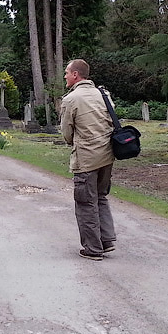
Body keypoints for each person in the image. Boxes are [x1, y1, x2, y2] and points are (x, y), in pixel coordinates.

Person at [59, 59, 117, 261]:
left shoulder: (71, 99)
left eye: (67, 72)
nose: (65, 76)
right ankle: (106, 240)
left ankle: (93, 248)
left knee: (85, 202)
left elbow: (67, 134)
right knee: (100, 197)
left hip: (86, 158)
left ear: (76, 75)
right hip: (107, 156)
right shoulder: (104, 94)